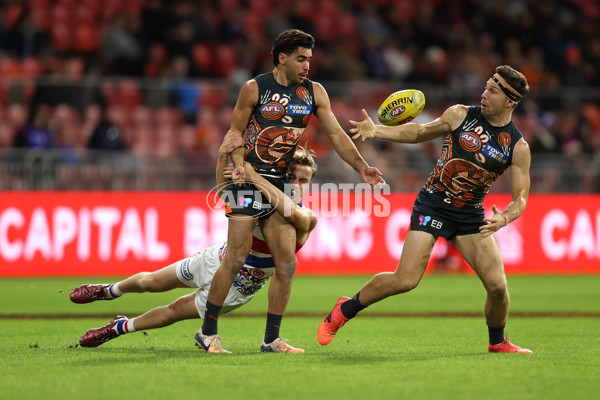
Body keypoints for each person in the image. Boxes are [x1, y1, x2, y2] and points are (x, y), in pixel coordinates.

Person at [318, 65, 533, 354]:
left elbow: (521, 197)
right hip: (433, 204)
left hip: (470, 215)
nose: (484, 94)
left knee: (497, 287)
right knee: (405, 280)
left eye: (493, 91)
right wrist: (377, 131)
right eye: (486, 86)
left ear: (510, 101)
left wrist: (505, 217)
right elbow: (420, 131)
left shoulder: (517, 146)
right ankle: (345, 308)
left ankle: (497, 342)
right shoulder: (460, 114)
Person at [197, 28, 384, 353]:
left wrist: (361, 167)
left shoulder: (314, 93)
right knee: (237, 256)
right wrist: (239, 164)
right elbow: (235, 133)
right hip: (246, 178)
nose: (307, 65)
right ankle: (207, 332)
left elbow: (338, 136)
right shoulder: (254, 88)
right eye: (301, 58)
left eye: (309, 59)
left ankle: (271, 340)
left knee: (286, 264)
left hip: (279, 182)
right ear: (282, 58)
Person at [70, 133, 318, 353]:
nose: (296, 185)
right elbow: (224, 193)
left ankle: (118, 328)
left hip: (240, 288)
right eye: (291, 177)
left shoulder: (307, 217)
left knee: (173, 312)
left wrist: (252, 176)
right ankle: (108, 291)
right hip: (214, 260)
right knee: (151, 282)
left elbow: (291, 212)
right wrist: (223, 156)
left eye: (303, 181)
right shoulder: (259, 196)